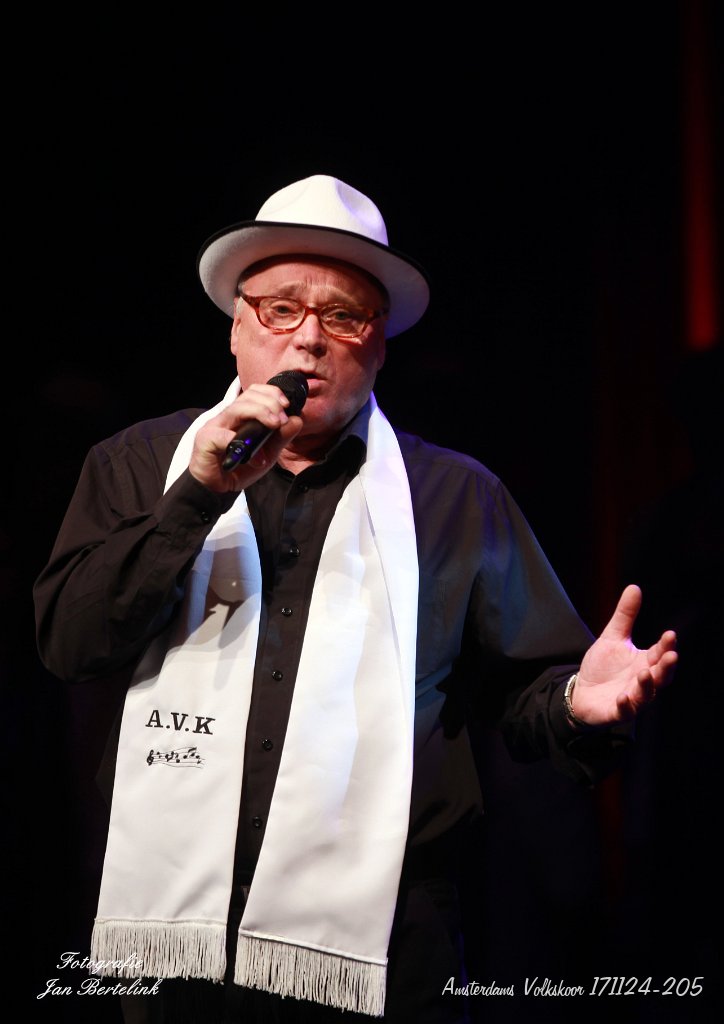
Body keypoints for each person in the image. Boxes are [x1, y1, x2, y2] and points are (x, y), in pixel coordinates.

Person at [33, 174, 677, 1024]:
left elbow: (526, 694)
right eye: (281, 309)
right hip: (181, 952)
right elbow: (72, 644)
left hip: (385, 952)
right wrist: (196, 496)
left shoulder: (454, 499)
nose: (309, 339)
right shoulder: (139, 465)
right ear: (236, 327)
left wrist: (574, 701)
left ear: (378, 347)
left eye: (343, 317)